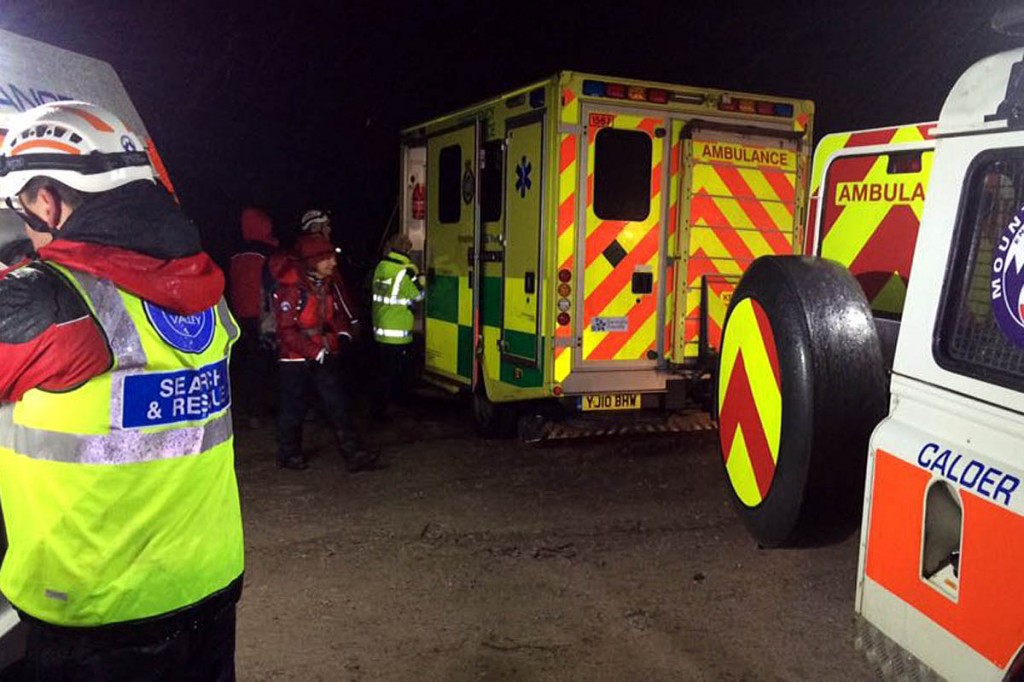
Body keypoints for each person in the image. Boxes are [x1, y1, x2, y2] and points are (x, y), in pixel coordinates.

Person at [0, 102, 243, 679]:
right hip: (208, 583)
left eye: (20, 209)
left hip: (98, 612)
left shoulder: (48, 300)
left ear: (47, 201)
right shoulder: (202, 287)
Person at [271, 233, 379, 472]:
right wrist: (314, 350)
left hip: (323, 353)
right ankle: (288, 454)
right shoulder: (291, 289)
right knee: (294, 407)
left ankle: (354, 453)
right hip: (294, 359)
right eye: (327, 258)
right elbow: (286, 331)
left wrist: (342, 332)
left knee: (338, 404)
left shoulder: (326, 284)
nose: (333, 262)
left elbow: (334, 316)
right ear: (312, 261)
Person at [228, 207, 278, 427]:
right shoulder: (268, 253)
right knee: (269, 361)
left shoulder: (236, 254)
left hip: (242, 315)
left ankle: (253, 410)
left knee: (250, 363)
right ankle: (266, 408)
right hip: (265, 315)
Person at [370, 233, 424, 419]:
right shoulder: (405, 271)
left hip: (380, 326)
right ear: (407, 249)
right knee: (394, 372)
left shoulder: (382, 266)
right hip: (397, 330)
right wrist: (422, 280)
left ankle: (379, 407)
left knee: (383, 371)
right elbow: (418, 296)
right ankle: (381, 410)